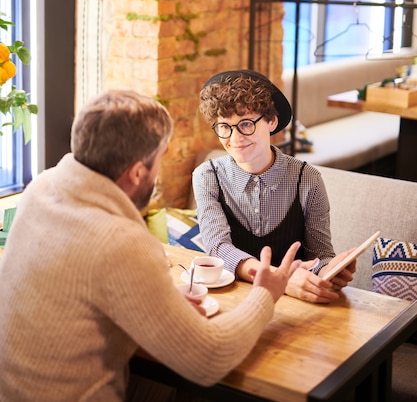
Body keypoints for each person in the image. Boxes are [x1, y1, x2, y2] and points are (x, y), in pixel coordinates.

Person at [0, 89, 302, 402]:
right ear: (137, 172)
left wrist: (161, 303)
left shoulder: (40, 188)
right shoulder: (121, 242)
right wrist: (265, 295)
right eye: (160, 159)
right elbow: (209, 359)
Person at [192, 69, 356, 304]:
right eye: (224, 127)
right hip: (235, 301)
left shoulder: (307, 179)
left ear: (271, 121)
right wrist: (281, 278)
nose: (235, 138)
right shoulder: (207, 176)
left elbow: (320, 256)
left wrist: (331, 271)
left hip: (298, 304)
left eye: (246, 124)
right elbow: (218, 248)